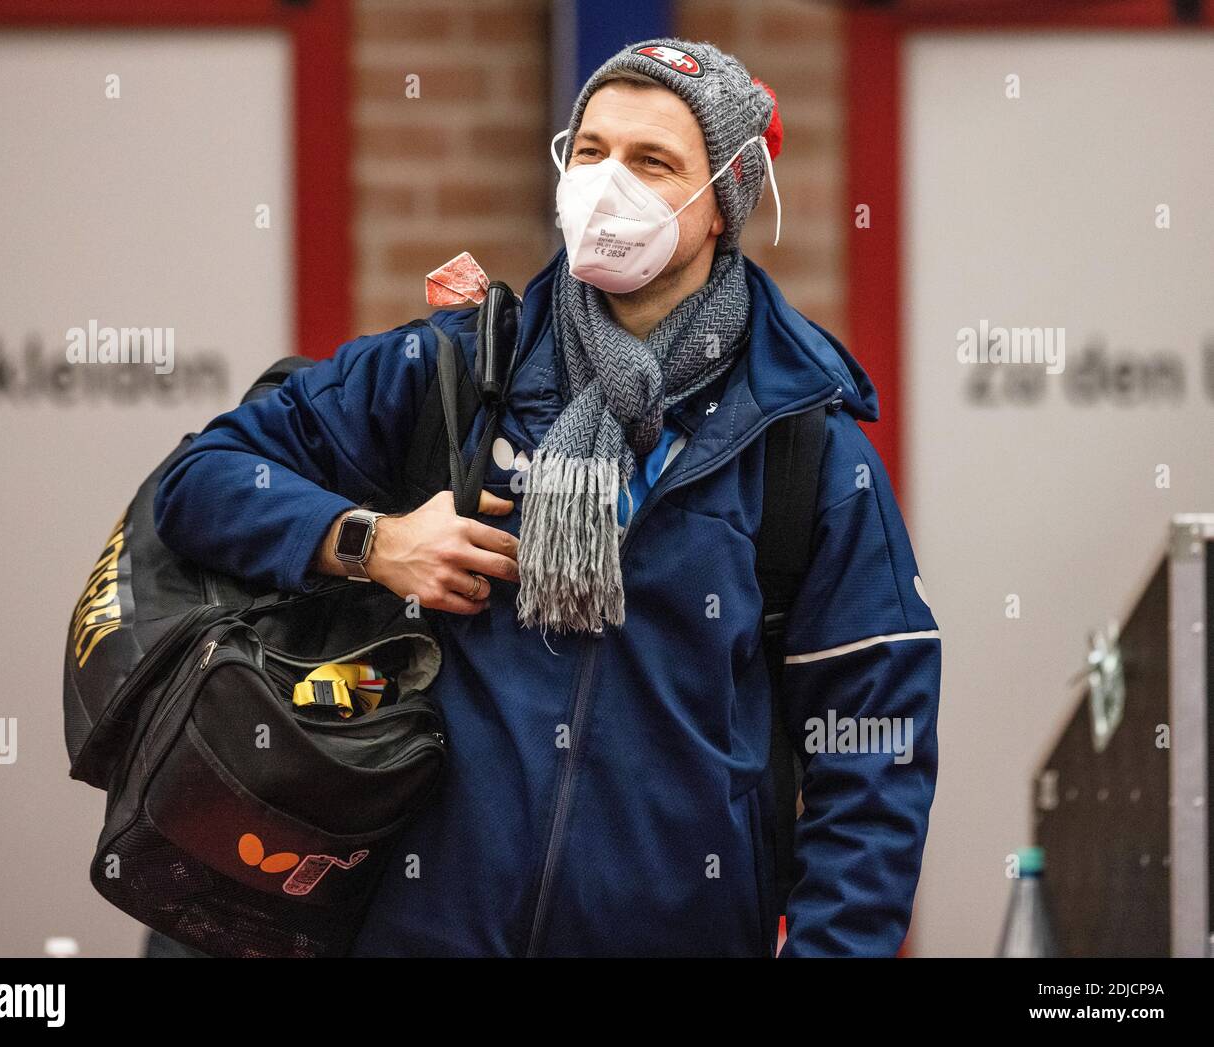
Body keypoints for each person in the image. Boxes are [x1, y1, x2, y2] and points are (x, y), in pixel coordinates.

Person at [153, 37, 941, 957]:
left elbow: (873, 751)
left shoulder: (803, 443)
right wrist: (371, 541)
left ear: (721, 200)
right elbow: (199, 480)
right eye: (593, 150)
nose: (609, 183)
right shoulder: (452, 371)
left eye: (652, 162)